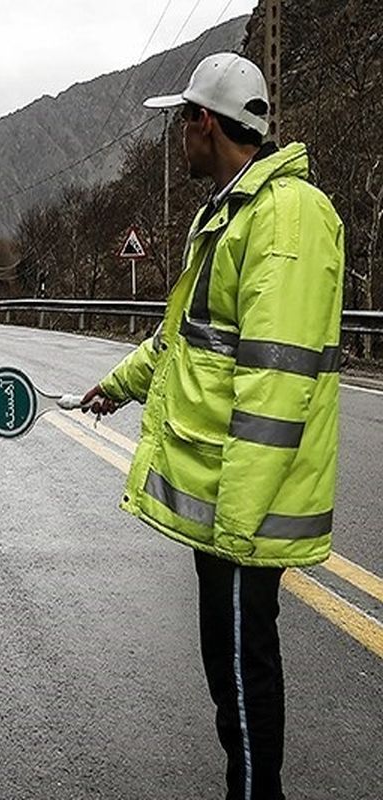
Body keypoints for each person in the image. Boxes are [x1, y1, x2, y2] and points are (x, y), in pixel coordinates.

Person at [82, 53, 345, 800]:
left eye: (181, 123)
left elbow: (277, 378)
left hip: (244, 508)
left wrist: (235, 525)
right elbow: (186, 339)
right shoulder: (233, 212)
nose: (177, 140)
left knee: (242, 664)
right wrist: (118, 385)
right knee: (228, 664)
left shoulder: (284, 216)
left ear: (205, 122)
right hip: (229, 505)